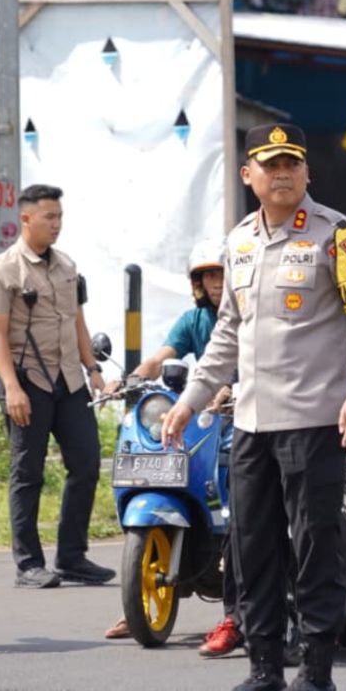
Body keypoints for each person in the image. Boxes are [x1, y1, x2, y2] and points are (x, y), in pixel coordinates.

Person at [163, 123, 346, 691]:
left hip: (313, 421)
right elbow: (227, 334)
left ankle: (315, 670)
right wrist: (190, 400)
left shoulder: (343, 236)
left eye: (292, 163)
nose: (282, 173)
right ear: (248, 175)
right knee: (252, 547)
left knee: (315, 549)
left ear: (307, 171)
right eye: (270, 163)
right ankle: (264, 668)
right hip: (252, 422)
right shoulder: (237, 242)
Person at [102, 239, 239, 646]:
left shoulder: (249, 313)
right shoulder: (194, 320)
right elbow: (161, 357)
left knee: (235, 480)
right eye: (208, 276)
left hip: (244, 411)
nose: (216, 282)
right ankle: (136, 602)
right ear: (198, 282)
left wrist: (232, 389)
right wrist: (127, 379)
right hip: (208, 408)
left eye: (221, 273)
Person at [0, 184, 115, 589]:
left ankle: (72, 557)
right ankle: (28, 564)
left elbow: (76, 321)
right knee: (28, 474)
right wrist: (12, 389)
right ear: (26, 219)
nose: (56, 224)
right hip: (28, 383)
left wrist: (93, 368)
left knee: (87, 464)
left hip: (70, 380)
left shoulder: (66, 266)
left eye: (59, 217)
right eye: (49, 218)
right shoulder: (4, 271)